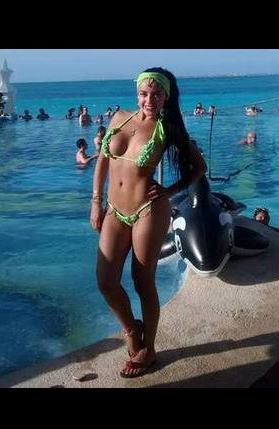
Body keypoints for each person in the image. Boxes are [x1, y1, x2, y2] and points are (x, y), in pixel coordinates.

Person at [90, 67, 207, 378]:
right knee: (106, 282)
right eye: (144, 93)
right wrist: (95, 202)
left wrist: (169, 190)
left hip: (148, 211)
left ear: (166, 96)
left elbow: (199, 167)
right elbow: (103, 160)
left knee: (143, 281)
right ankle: (132, 329)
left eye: (156, 94)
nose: (149, 100)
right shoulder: (119, 118)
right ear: (137, 93)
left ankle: (149, 349)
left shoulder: (167, 129)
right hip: (114, 211)